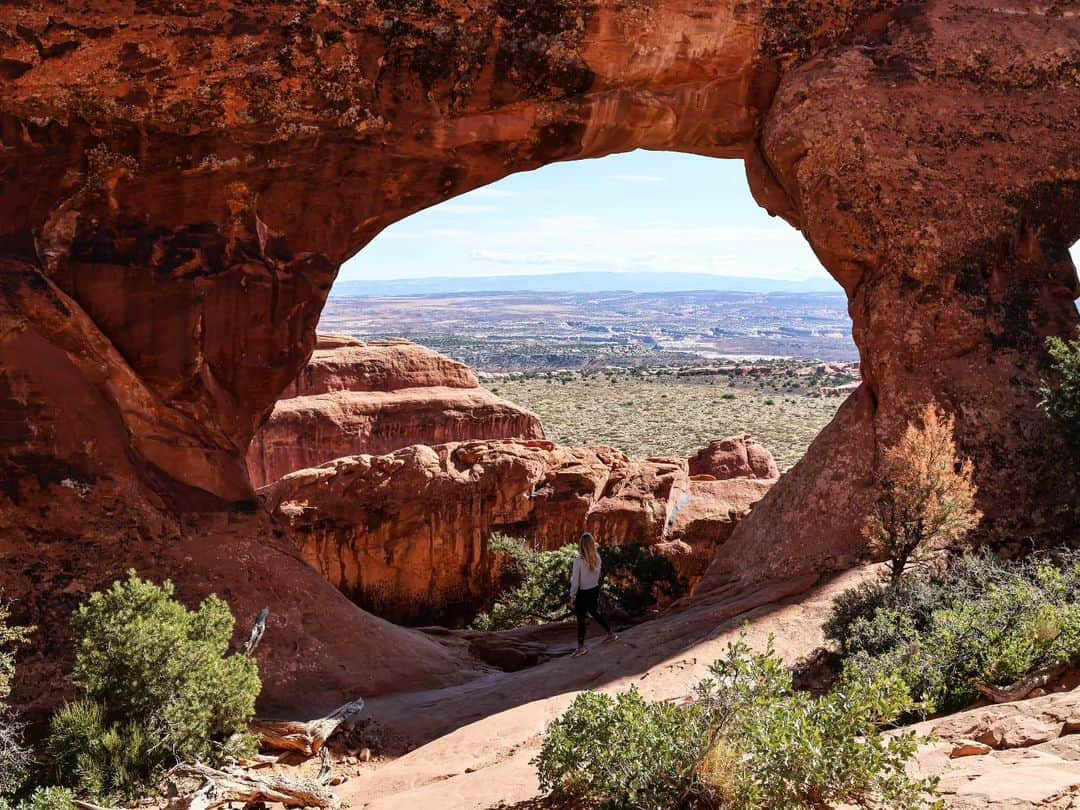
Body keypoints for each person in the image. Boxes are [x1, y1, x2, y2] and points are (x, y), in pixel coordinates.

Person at [569, 532, 617, 657]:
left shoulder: (578, 561)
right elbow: (598, 575)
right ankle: (611, 633)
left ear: (581, 545)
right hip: (594, 589)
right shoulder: (597, 557)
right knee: (595, 612)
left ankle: (581, 647)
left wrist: (572, 595)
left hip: (583, 592)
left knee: (581, 619)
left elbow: (575, 581)